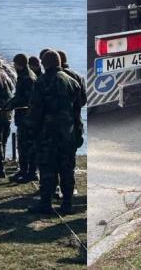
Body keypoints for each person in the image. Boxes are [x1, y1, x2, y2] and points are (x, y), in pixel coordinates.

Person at [28, 50, 84, 215]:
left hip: (48, 135)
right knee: (67, 169)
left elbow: (35, 111)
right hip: (68, 134)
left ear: (45, 64)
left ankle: (46, 203)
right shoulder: (72, 82)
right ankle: (67, 204)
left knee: (47, 169)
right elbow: (78, 111)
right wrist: (78, 133)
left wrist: (31, 131)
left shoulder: (41, 82)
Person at [9, 53, 38, 182]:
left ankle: (32, 172)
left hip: (28, 118)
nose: (14, 66)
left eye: (15, 64)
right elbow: (18, 95)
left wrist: (13, 104)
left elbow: (28, 99)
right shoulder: (23, 76)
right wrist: (9, 104)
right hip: (22, 118)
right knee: (21, 145)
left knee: (29, 146)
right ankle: (23, 169)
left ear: (18, 64)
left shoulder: (28, 78)